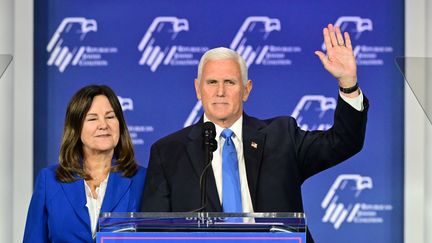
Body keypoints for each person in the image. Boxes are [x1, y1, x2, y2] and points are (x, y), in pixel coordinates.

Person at [140, 24, 368, 242]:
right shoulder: (168, 153)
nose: (220, 92)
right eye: (211, 82)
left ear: (246, 89)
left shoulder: (282, 137)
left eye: (230, 82)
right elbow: (153, 232)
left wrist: (348, 83)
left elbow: (344, 142)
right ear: (198, 89)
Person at [23, 85, 146, 242]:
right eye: (93, 118)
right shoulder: (50, 180)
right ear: (75, 128)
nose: (103, 125)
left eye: (110, 117)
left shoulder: (142, 179)